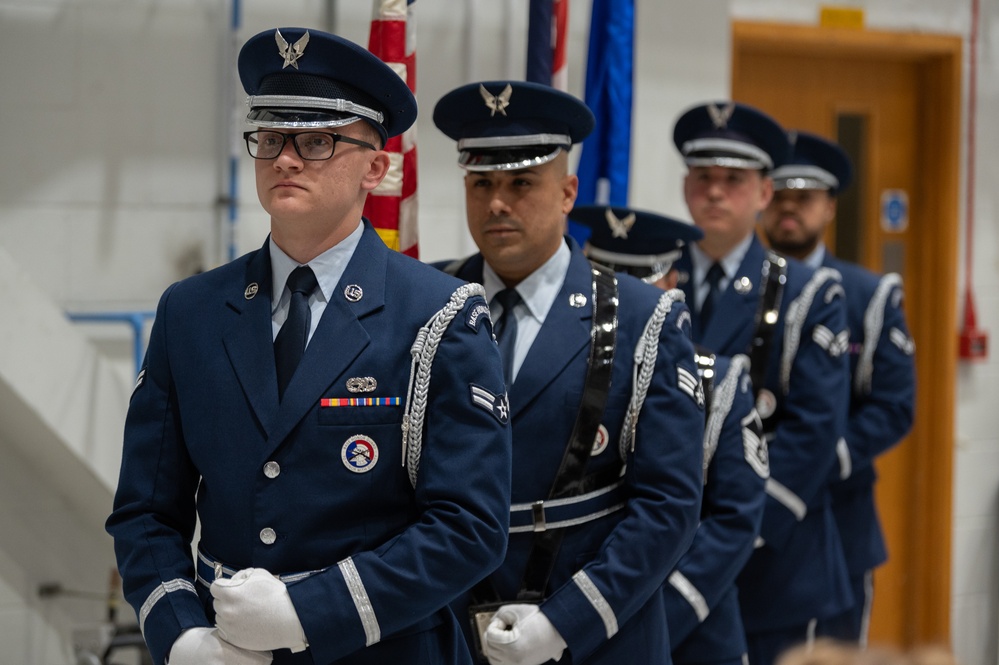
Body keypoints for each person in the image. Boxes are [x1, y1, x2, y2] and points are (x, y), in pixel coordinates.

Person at [106, 27, 512, 665]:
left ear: (377, 168)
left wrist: (308, 612)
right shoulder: (190, 312)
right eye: (270, 139)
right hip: (227, 651)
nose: (286, 160)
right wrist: (180, 633)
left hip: (385, 649)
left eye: (317, 140)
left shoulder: (439, 315)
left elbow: (469, 527)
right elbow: (145, 514)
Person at [432, 81, 705, 664]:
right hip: (446, 624)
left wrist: (565, 622)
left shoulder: (643, 317)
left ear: (567, 193)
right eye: (481, 183)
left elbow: (669, 505)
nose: (498, 203)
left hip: (594, 631)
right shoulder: (426, 300)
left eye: (522, 182)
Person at [671, 101, 853, 665]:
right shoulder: (647, 281)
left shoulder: (808, 293)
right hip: (667, 547)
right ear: (685, 187)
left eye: (734, 180)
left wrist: (736, 528)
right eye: (704, 178)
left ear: (765, 193)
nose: (716, 193)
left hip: (771, 556)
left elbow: (813, 431)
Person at [572, 204, 769, 665]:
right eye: (608, 278)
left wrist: (663, 608)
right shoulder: (551, 372)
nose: (622, 297)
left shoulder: (716, 380)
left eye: (641, 282)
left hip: (689, 628)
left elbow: (735, 517)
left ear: (671, 285)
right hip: (572, 620)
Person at [760, 131, 916, 645]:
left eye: (802, 199)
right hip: (747, 515)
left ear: (828, 207)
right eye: (778, 197)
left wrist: (822, 457)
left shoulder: (866, 295)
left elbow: (894, 407)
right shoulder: (738, 289)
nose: (788, 210)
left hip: (837, 519)